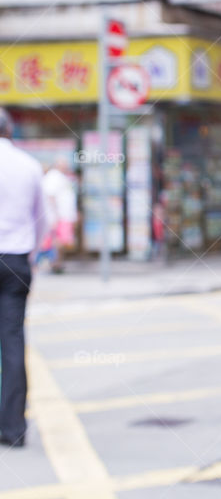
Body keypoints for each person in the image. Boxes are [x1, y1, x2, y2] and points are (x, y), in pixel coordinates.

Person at [0, 108, 45, 448]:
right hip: (16, 260)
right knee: (12, 341)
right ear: (10, 129)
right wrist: (33, 251)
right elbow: (42, 217)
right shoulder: (28, 165)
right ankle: (13, 430)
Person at [39, 159, 77, 273]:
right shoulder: (54, 177)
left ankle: (56, 263)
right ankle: (53, 263)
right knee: (57, 241)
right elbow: (50, 196)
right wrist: (55, 215)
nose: (66, 166)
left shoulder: (60, 177)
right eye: (64, 164)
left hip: (62, 215)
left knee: (60, 241)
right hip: (59, 216)